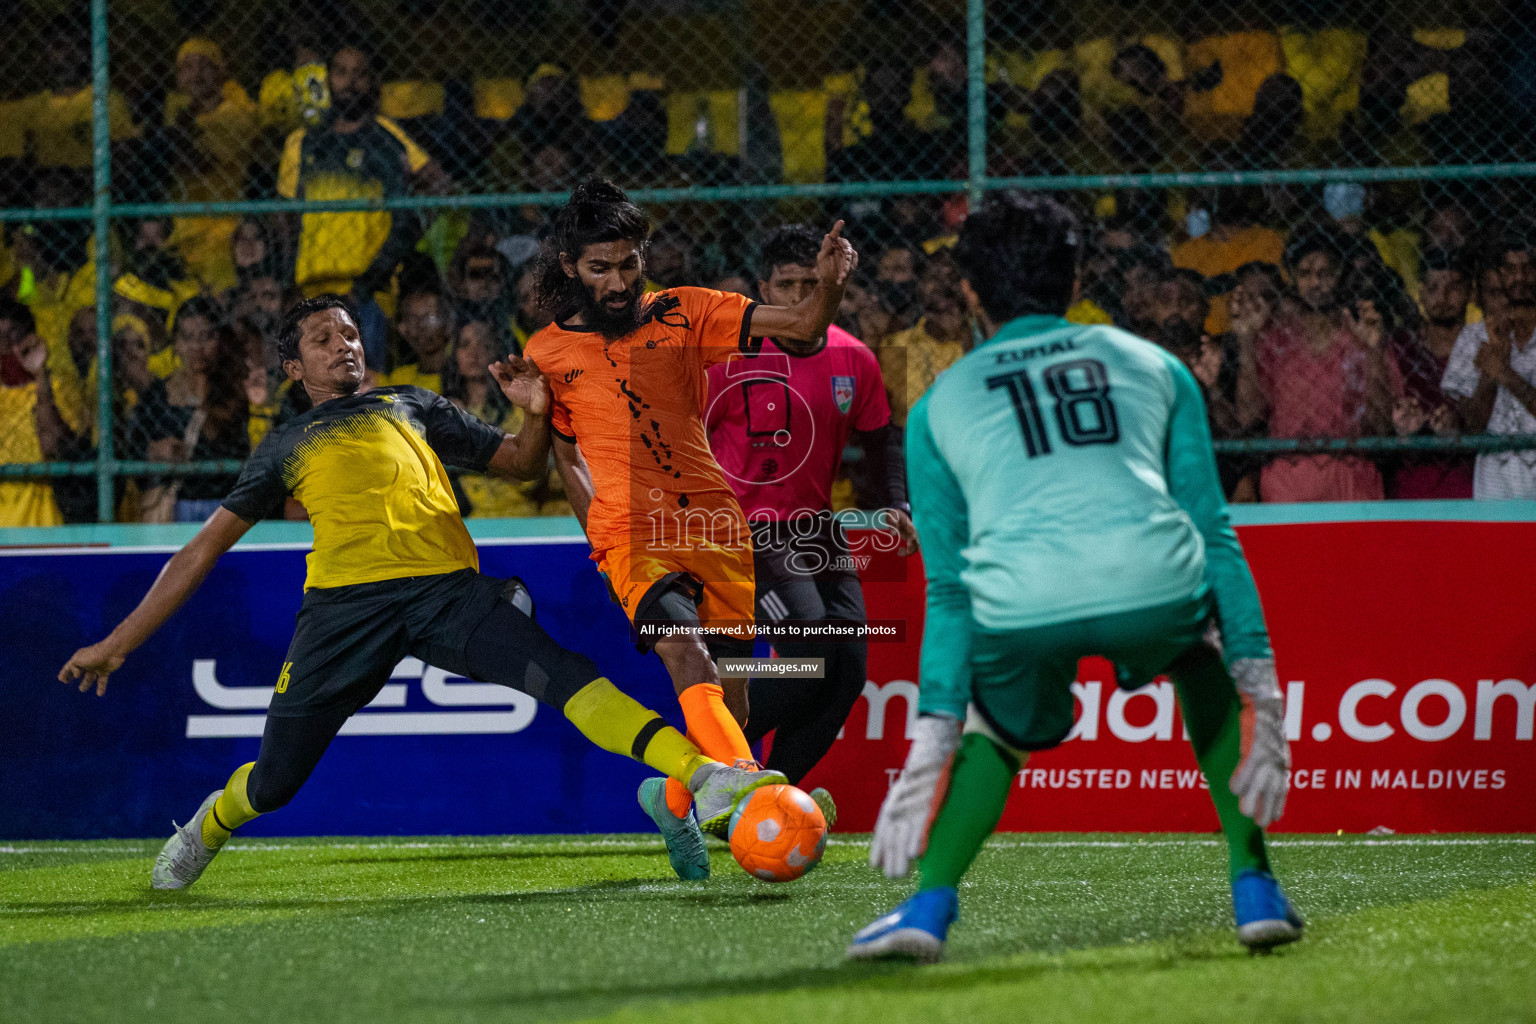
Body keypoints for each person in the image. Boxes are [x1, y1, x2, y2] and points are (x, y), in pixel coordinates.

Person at [58, 294, 783, 891]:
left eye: (349, 332)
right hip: (344, 613)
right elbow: (200, 550)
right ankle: (208, 825)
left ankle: (706, 777)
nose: (344, 345)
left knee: (564, 674)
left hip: (447, 594)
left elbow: (521, 467)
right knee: (275, 783)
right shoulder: (284, 444)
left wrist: (533, 411)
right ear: (293, 367)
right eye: (321, 339)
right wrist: (116, 643)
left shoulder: (411, 405)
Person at [847, 192, 1297, 962]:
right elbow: (1214, 532)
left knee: (996, 727)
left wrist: (933, 731)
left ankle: (927, 906)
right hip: (1152, 581)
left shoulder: (936, 404)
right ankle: (1255, 885)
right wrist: (1260, 677)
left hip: (1021, 601)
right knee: (1201, 655)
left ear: (969, 291)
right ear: (1078, 274)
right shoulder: (1154, 362)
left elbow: (951, 591)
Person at [523, 179, 857, 881]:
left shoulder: (686, 311)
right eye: (599, 268)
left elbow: (801, 328)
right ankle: (755, 794)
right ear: (568, 267)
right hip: (632, 536)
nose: (617, 282)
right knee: (683, 650)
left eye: (627, 264)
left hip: (715, 527)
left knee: (733, 695)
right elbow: (562, 447)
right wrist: (598, 531)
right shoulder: (547, 352)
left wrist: (826, 287)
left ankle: (673, 796)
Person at [705, 224, 916, 818]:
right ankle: (694, 769)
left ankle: (761, 800)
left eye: (811, 284)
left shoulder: (855, 358)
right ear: (762, 290)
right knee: (812, 651)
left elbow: (882, 442)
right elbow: (681, 439)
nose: (799, 297)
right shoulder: (730, 357)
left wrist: (895, 505)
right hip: (745, 530)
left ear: (832, 286)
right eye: (786, 285)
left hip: (816, 529)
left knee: (847, 669)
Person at [277, 41, 448, 368]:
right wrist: (289, 282)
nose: (350, 82)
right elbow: (285, 219)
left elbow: (438, 183)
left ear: (372, 82)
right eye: (341, 72)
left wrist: (406, 230)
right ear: (328, 79)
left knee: (366, 396)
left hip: (366, 293)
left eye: (359, 74)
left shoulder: (385, 137)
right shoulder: (303, 141)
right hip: (310, 289)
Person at [1253, 227, 1400, 502]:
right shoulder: (1276, 340)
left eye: (1325, 273)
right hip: (1288, 475)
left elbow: (1383, 425)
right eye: (1305, 273)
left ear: (1341, 275)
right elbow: (1249, 416)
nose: (1315, 282)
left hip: (1351, 472)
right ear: (1293, 279)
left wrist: (1373, 350)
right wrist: (1247, 341)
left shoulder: (1363, 335)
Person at [126, 297, 251, 522]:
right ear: (175, 342)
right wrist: (154, 452)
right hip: (176, 505)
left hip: (227, 504)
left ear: (220, 340)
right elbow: (132, 448)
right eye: (187, 338)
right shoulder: (156, 397)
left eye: (206, 337)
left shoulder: (237, 390)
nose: (196, 347)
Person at [1442, 232, 1536, 498]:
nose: (1520, 277)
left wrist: (1506, 374)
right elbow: (1473, 427)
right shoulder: (1473, 336)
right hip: (1495, 480)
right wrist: (1490, 373)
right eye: (1510, 269)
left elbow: (1505, 376)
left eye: (1528, 268)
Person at [1382, 248, 1474, 498]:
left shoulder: (1481, 346)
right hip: (1407, 485)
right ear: (1420, 292)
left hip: (1465, 485)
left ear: (1470, 292)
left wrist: (1462, 426)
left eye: (1453, 287)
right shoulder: (1400, 346)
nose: (1442, 298)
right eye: (1432, 288)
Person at [0, 299, 70, 526]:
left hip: (42, 515)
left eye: (13, 337)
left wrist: (39, 374)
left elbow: (52, 448)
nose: (4, 347)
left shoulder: (56, 386)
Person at [382, 286, 452, 392]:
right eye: (414, 320)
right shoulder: (400, 379)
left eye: (430, 317)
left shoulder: (459, 378)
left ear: (446, 323)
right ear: (403, 329)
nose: (422, 326)